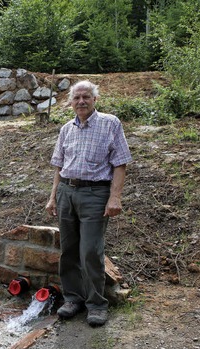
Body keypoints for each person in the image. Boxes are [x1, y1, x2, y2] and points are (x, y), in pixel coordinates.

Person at [45, 80, 132, 327]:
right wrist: (53, 197)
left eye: (86, 97)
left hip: (95, 194)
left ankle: (96, 304)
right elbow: (59, 167)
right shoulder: (66, 129)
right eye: (77, 98)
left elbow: (120, 163)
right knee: (69, 250)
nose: (81, 101)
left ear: (95, 100)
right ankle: (73, 299)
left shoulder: (110, 123)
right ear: (70, 102)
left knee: (91, 251)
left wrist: (115, 197)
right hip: (66, 192)